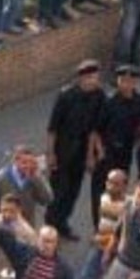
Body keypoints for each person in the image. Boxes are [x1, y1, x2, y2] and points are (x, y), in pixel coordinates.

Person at [45, 59, 106, 241]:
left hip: (80, 153)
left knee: (73, 192)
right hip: (63, 150)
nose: (94, 81)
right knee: (58, 192)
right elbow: (53, 128)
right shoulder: (66, 96)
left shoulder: (99, 96)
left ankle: (62, 223)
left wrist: (90, 157)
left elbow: (93, 129)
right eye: (90, 77)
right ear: (81, 78)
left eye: (96, 77)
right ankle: (50, 227)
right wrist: (50, 154)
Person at [91, 66, 140, 227]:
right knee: (101, 191)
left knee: (119, 190)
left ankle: (114, 224)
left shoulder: (138, 101)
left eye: (129, 81)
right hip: (107, 152)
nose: (126, 84)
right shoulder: (109, 101)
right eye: (122, 80)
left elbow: (139, 126)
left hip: (124, 152)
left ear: (135, 82)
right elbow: (95, 131)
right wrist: (99, 152)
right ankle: (99, 226)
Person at [75, 169, 128, 279]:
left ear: (124, 186)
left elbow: (123, 233)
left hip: (116, 252)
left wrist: (101, 239)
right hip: (99, 247)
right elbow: (101, 223)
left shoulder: (128, 206)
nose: (110, 186)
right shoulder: (103, 198)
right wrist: (98, 237)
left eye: (116, 184)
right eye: (109, 182)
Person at [0, 222, 75, 279]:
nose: (46, 245)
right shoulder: (26, 253)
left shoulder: (64, 268)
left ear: (56, 243)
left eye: (50, 241)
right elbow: (10, 244)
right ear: (38, 240)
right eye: (44, 240)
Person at [0, 145, 53, 226]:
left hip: (26, 230)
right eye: (24, 162)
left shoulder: (33, 179)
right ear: (15, 161)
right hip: (4, 230)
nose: (28, 166)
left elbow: (47, 199)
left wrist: (37, 176)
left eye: (31, 162)